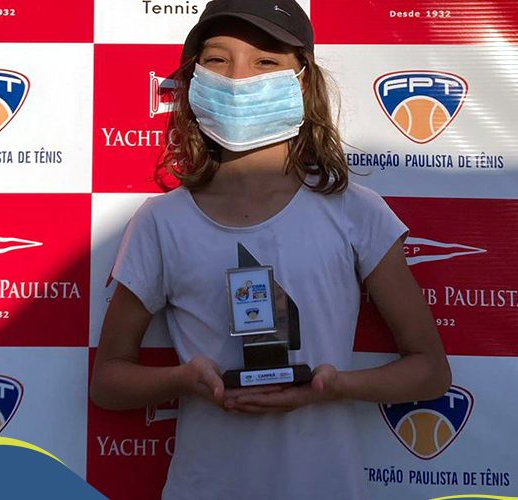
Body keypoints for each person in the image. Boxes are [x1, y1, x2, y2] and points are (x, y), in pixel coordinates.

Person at [90, 1, 451, 498]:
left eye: (265, 61)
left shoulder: (354, 211)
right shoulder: (160, 221)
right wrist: (186, 379)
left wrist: (332, 387)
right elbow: (108, 383)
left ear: (302, 82)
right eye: (217, 59)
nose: (239, 78)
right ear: (193, 81)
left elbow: (431, 371)